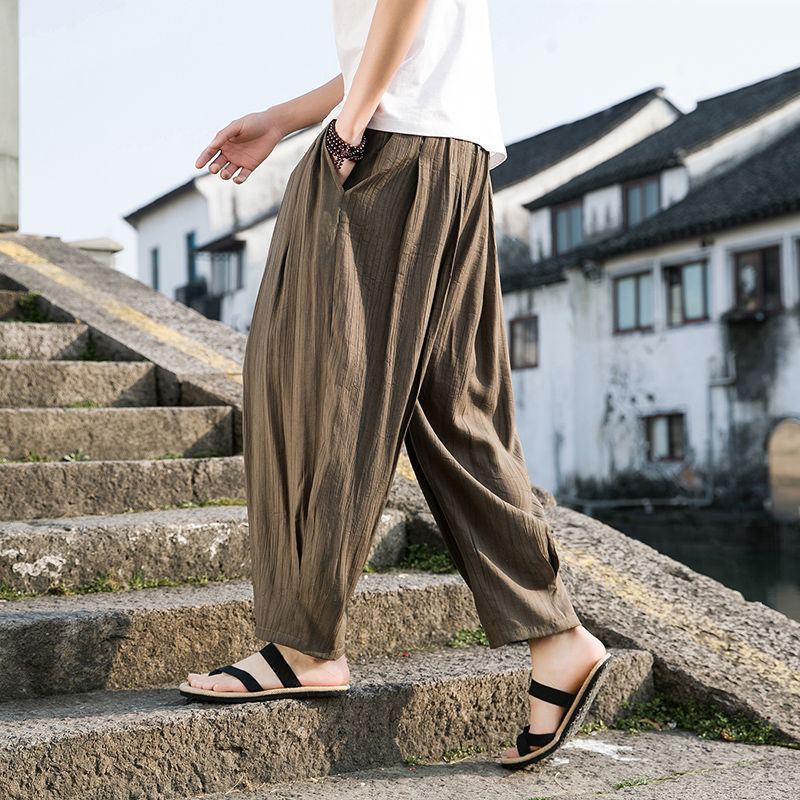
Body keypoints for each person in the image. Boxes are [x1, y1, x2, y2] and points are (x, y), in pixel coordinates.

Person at [179, 0, 612, 769]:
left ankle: (303, 642)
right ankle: (556, 639)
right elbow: (400, 30)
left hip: (391, 147)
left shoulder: (373, 127)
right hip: (449, 147)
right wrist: (288, 116)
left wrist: (351, 122)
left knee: (313, 383)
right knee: (450, 407)